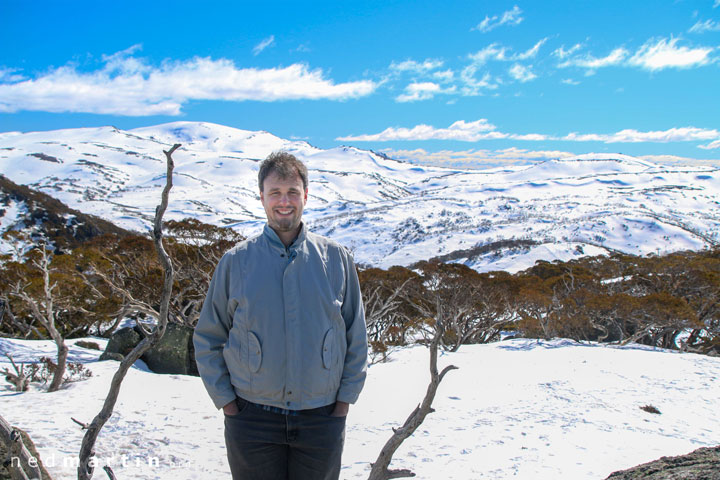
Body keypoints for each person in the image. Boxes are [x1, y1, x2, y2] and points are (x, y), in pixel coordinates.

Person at [193, 151, 368, 480]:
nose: (284, 201)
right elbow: (208, 337)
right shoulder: (236, 262)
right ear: (261, 198)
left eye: (292, 192)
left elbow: (355, 336)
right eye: (275, 192)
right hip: (252, 418)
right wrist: (229, 405)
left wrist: (343, 404)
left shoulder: (337, 259)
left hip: (322, 418)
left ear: (306, 195)